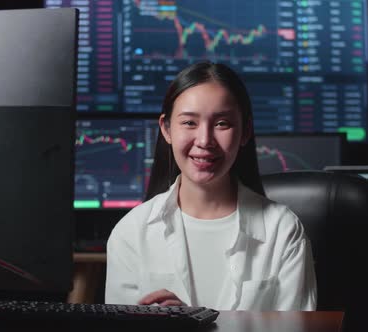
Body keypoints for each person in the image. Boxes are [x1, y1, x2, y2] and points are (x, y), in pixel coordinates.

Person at [105, 62, 316, 310]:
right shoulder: (131, 233)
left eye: (222, 124)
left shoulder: (283, 230)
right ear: (166, 129)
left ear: (245, 131)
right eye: (189, 123)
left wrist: (190, 326)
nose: (205, 141)